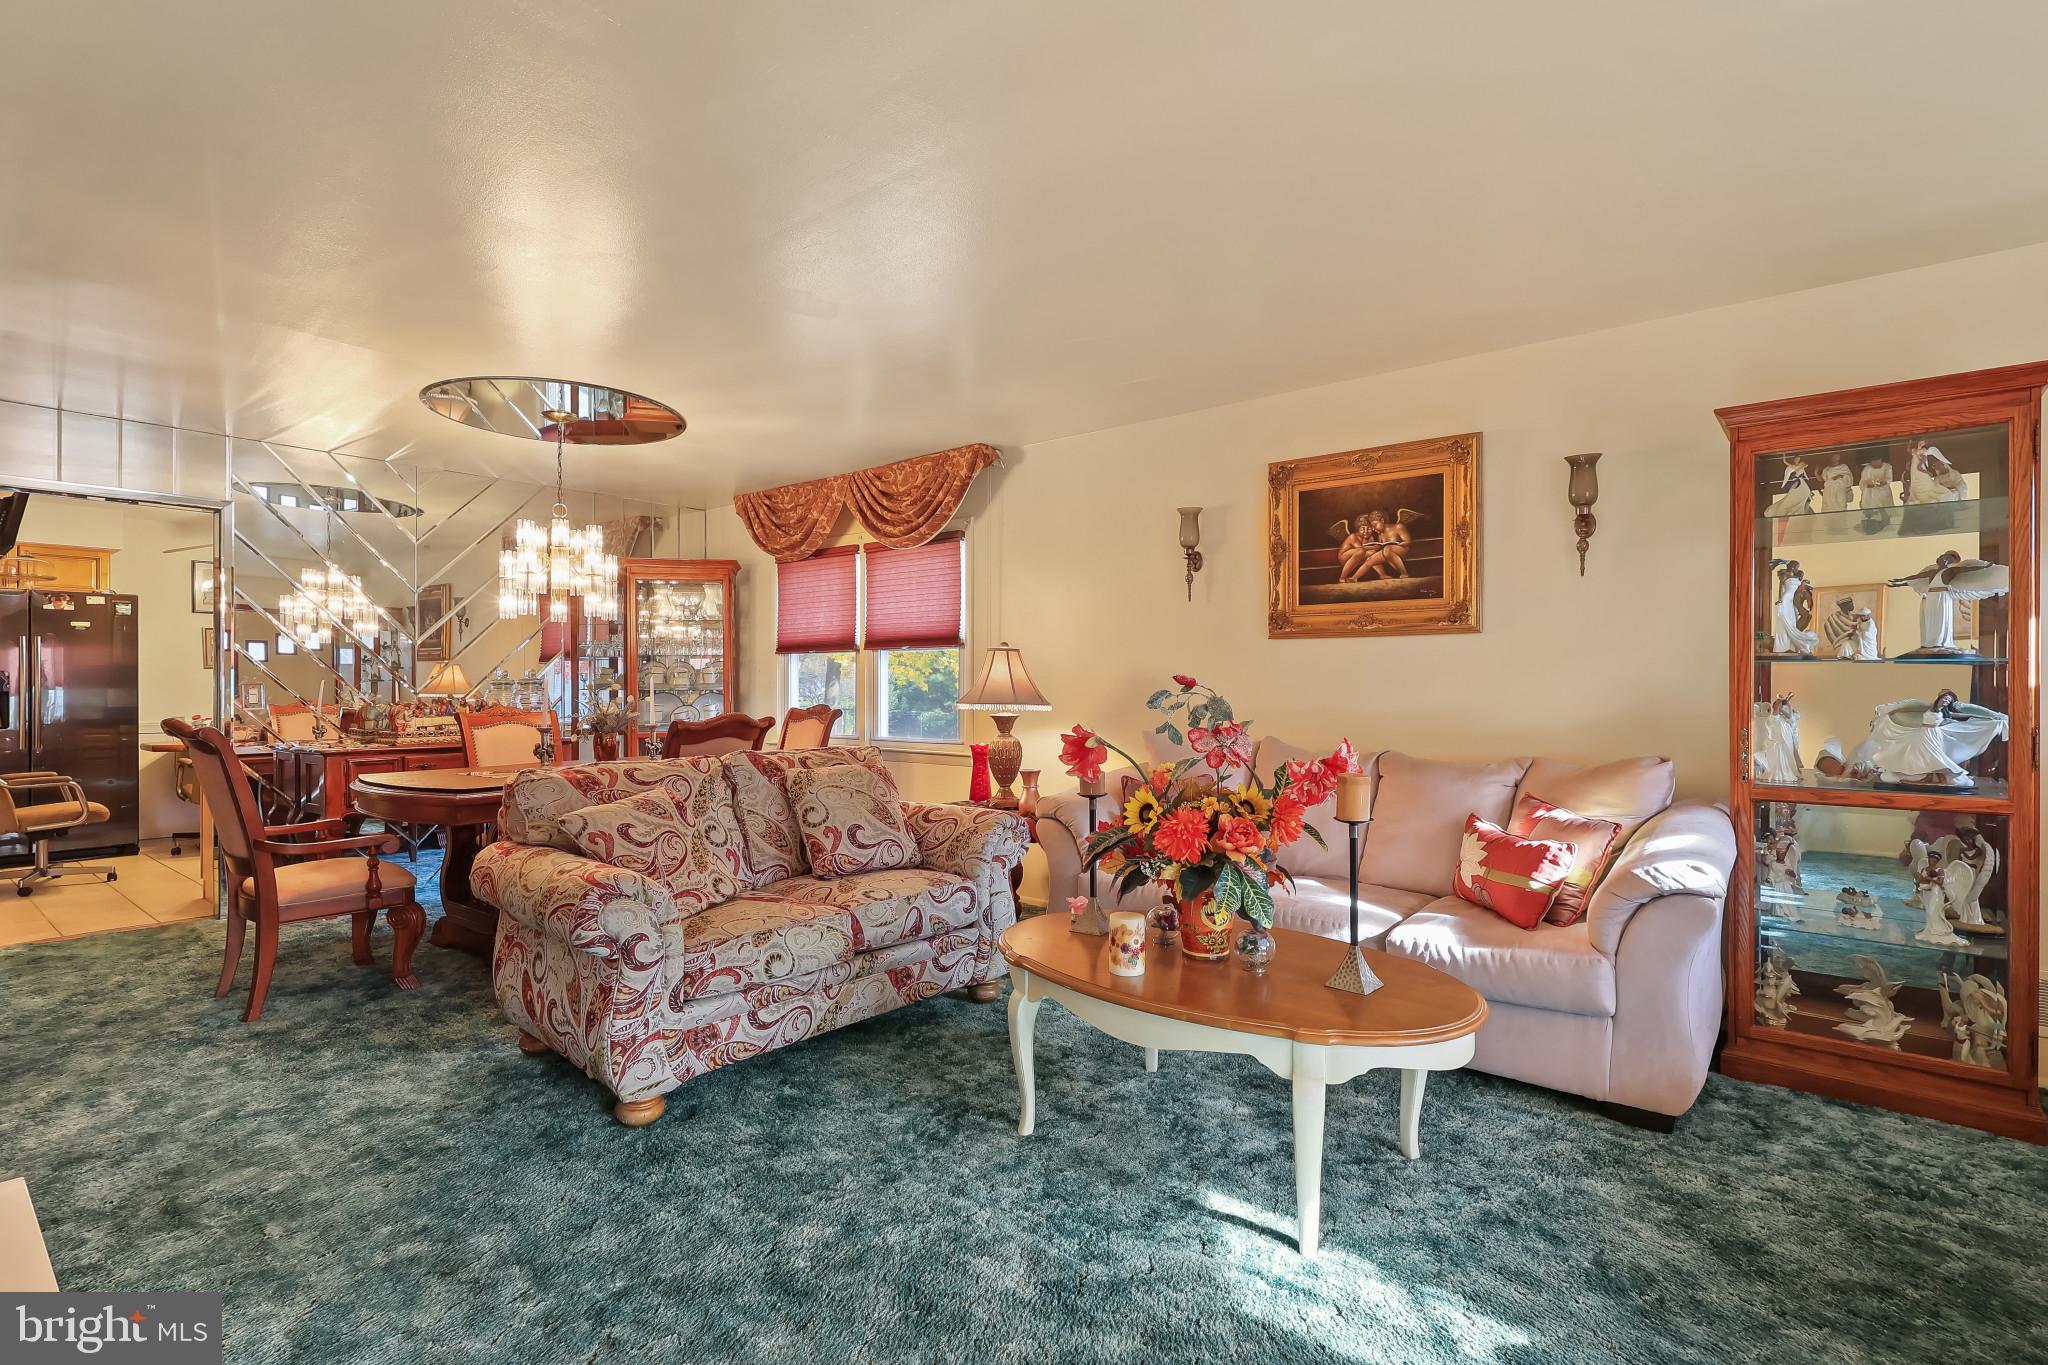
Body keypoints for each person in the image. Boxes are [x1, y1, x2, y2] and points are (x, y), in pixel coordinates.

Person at [1888, 550, 2008, 655]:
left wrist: (1984, 567)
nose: (1943, 560)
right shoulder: (1933, 572)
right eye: (1942, 558)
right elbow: (1917, 577)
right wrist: (1900, 582)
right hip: (1931, 597)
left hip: (1942, 596)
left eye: (1947, 559)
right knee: (1931, 618)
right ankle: (1931, 642)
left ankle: (1942, 642)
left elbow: (1967, 569)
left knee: (1941, 618)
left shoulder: (1952, 571)